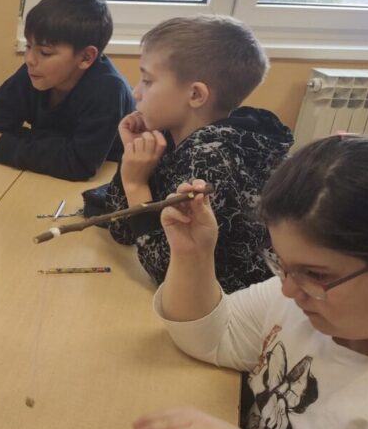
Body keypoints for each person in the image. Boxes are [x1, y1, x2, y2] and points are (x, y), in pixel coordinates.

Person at [133, 135, 368, 429]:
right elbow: (212, 337)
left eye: (316, 275)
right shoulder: (293, 303)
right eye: (282, 265)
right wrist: (192, 254)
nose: (288, 290)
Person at [104, 15, 292, 292]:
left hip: (234, 302)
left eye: (147, 81)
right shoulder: (171, 137)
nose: (136, 92)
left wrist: (135, 184)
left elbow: (169, 272)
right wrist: (133, 157)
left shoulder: (212, 160)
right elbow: (121, 230)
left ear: (195, 95)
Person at [0, 0, 134, 181]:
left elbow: (81, 164)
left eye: (45, 52)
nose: (29, 59)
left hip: (113, 173)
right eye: (28, 46)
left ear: (86, 57)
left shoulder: (108, 91)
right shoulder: (35, 72)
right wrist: (60, 147)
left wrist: (8, 146)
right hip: (47, 173)